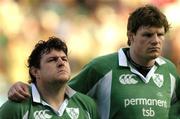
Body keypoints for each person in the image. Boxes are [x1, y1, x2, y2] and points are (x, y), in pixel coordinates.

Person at [6, 4, 180, 119]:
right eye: (148, 35)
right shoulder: (102, 68)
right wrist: (25, 88)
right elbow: (57, 92)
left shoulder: (170, 71)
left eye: (160, 35)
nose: (156, 40)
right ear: (131, 36)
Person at [0, 37, 99, 119]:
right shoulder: (15, 108)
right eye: (52, 60)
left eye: (64, 59)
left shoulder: (87, 105)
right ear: (35, 72)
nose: (61, 63)